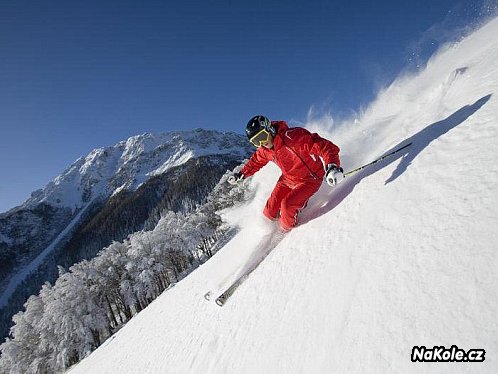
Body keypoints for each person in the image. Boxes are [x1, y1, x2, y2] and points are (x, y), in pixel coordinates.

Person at [228, 115, 344, 231]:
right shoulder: (265, 151)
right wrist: (240, 174)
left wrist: (332, 166)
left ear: (270, 129)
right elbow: (255, 162)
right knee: (269, 212)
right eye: (256, 142)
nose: (262, 143)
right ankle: (278, 222)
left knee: (287, 206)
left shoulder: (294, 137)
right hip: (287, 179)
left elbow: (325, 147)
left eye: (262, 136)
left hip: (310, 178)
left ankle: (285, 232)